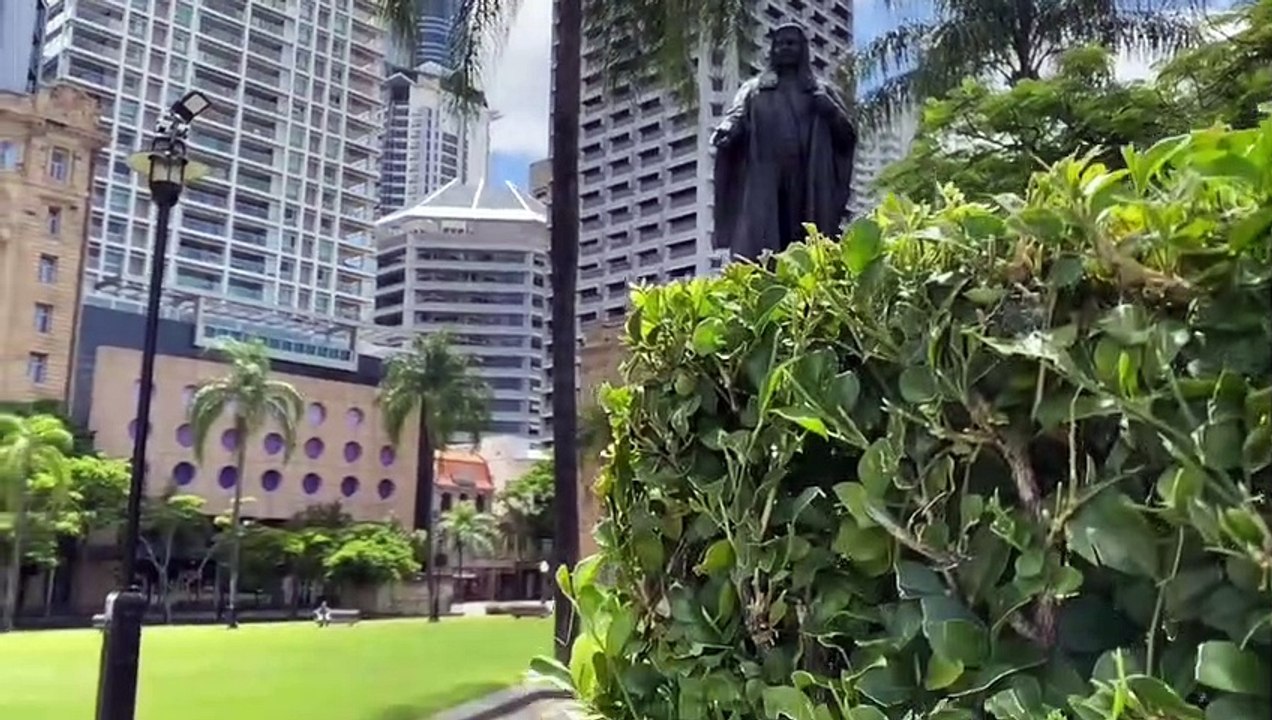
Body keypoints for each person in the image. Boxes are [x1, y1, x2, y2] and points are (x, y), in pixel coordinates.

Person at [711, 23, 858, 260]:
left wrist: (831, 112)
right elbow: (736, 114)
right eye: (779, 44)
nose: (784, 48)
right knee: (765, 239)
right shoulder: (754, 89)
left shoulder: (821, 91)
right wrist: (728, 128)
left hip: (807, 177)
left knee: (804, 237)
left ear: (803, 49)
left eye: (791, 43)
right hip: (766, 176)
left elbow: (847, 137)